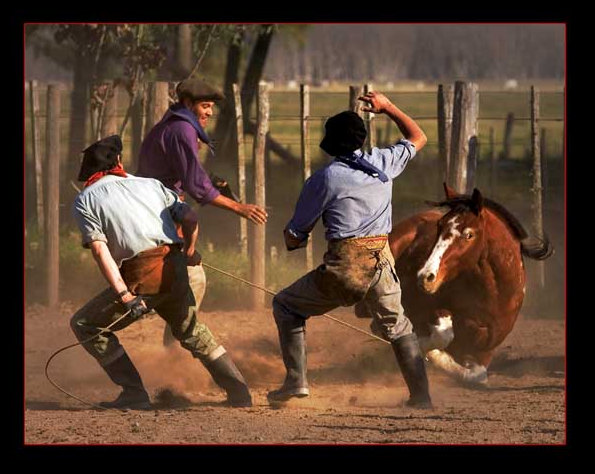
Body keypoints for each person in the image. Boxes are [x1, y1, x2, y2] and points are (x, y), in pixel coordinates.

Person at [268, 91, 433, 409]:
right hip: (383, 263)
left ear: (329, 143)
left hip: (347, 267)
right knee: (398, 326)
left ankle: (296, 381)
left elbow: (295, 236)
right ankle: (421, 397)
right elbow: (418, 136)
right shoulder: (383, 162)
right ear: (361, 138)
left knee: (286, 307)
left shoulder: (324, 179)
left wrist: (294, 239)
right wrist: (387, 107)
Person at [70, 135, 252, 409]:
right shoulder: (151, 185)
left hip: (143, 276)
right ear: (118, 161)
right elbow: (190, 217)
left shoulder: (85, 199)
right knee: (191, 330)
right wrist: (189, 252)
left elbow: (99, 250)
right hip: (176, 268)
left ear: (89, 171)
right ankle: (240, 393)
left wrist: (124, 294)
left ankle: (133, 392)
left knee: (85, 324)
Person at [137, 77, 268, 346]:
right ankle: (180, 350)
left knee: (182, 276)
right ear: (187, 103)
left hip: (155, 208)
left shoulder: (172, 123)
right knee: (192, 277)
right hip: (159, 213)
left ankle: (173, 341)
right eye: (205, 106)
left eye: (211, 107)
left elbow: (187, 176)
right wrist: (239, 208)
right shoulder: (182, 130)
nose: (209, 112)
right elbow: (197, 186)